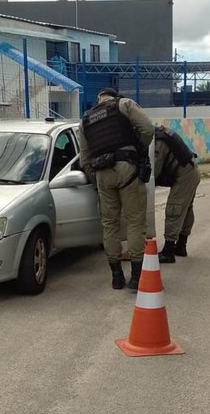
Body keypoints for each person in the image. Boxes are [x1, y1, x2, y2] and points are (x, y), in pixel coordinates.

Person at [78, 88, 154, 291]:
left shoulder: (85, 120)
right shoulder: (124, 104)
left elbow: (84, 159)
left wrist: (96, 179)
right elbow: (148, 130)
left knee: (109, 224)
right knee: (135, 222)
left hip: (103, 173)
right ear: (114, 96)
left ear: (98, 99)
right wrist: (138, 151)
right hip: (127, 168)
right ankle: (136, 277)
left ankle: (116, 277)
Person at [153, 126, 200, 263]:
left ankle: (168, 252)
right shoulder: (160, 134)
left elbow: (154, 171)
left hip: (185, 175)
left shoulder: (158, 142)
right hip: (191, 170)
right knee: (186, 210)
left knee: (175, 208)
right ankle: (181, 246)